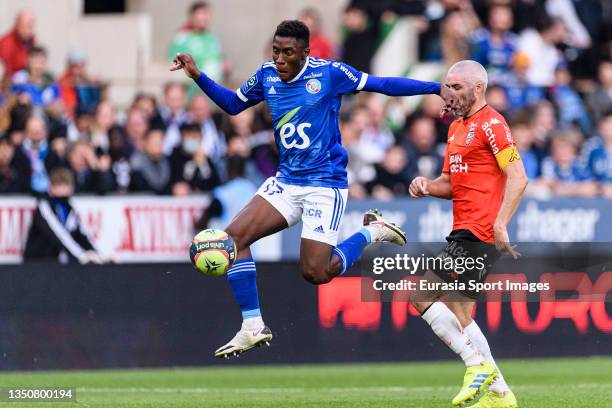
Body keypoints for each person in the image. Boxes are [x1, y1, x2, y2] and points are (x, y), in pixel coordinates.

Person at [171, 20, 441, 358]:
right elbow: (233, 104)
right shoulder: (267, 75)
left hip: (324, 185)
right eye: (276, 51)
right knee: (233, 240)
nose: (280, 59)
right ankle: (253, 325)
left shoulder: (329, 74)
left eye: (288, 53)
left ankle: (371, 233)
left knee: (317, 272)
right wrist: (197, 75)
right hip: (286, 181)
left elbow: (383, 83)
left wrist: (434, 88)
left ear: (305, 53)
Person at [409, 60, 526, 408]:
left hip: (479, 231)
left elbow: (518, 176)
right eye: (447, 86)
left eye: (457, 87)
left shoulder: (493, 124)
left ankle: (477, 366)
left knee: (421, 294)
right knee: (461, 314)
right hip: (462, 228)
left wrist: (501, 222)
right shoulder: (456, 128)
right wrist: (428, 185)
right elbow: (452, 183)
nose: (449, 92)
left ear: (478, 89)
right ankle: (501, 393)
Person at [23, 167, 105, 264]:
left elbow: (80, 235)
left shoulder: (69, 208)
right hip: (37, 262)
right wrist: (81, 255)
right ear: (51, 187)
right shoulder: (44, 206)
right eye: (59, 185)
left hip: (56, 263)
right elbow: (58, 234)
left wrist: (96, 254)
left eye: (66, 184)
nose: (63, 188)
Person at [0, 10, 35, 76]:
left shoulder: (31, 39)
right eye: (27, 25)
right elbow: (5, 69)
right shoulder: (7, 43)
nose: (30, 29)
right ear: (18, 24)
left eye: (31, 25)